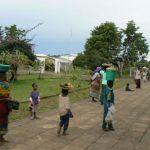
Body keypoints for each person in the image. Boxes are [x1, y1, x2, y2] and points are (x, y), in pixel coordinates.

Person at [0, 64, 11, 143]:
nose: (5, 75)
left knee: (4, 121)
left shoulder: (6, 83)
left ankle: (1, 137)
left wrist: (10, 97)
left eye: (5, 74)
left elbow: (8, 93)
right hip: (0, 105)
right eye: (3, 74)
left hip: (5, 106)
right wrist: (5, 98)